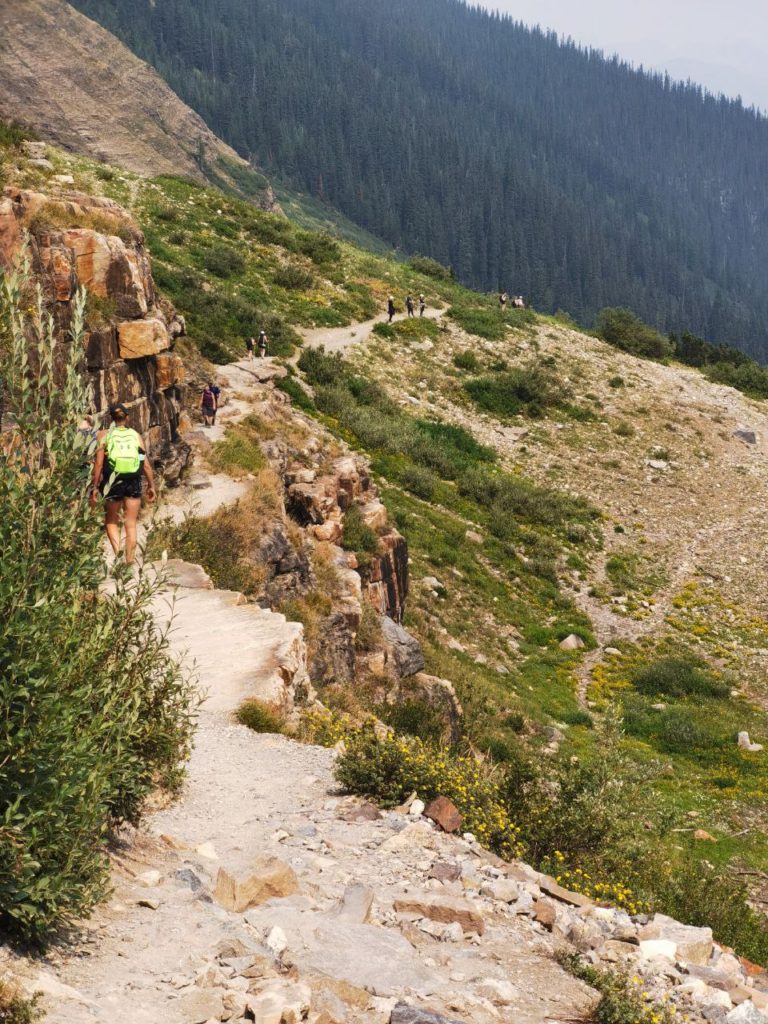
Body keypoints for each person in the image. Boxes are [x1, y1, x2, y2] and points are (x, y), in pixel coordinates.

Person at [90, 403, 155, 565]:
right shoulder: (136, 435)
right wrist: (151, 485)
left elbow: (98, 464)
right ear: (127, 417)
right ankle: (129, 562)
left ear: (111, 418)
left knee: (111, 521)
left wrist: (95, 487)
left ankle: (118, 555)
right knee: (131, 523)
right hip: (133, 480)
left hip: (113, 481)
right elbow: (145, 464)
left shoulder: (103, 435)